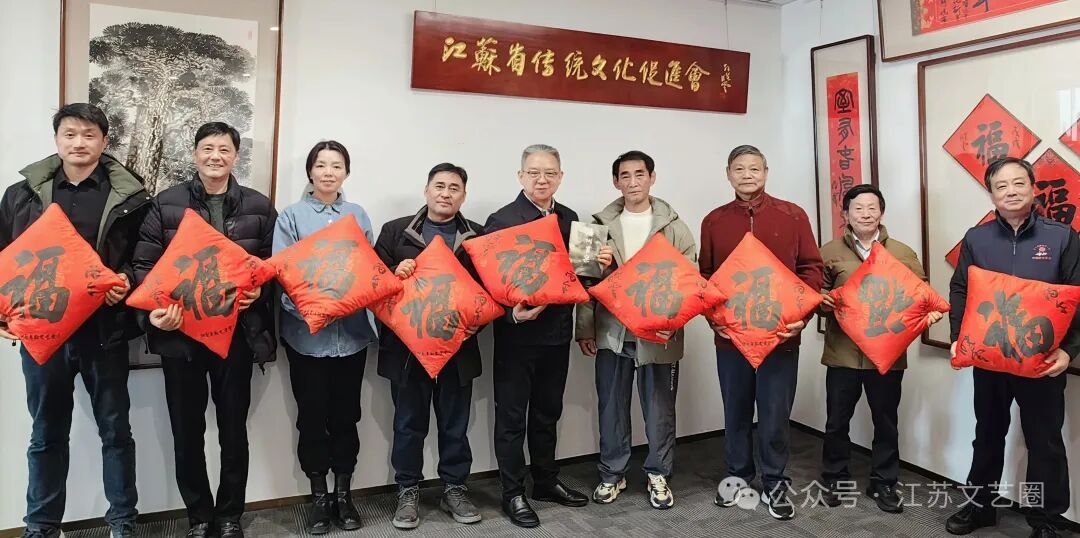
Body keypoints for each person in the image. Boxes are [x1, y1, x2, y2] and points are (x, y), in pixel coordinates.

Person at [0, 103, 147, 538]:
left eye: (88, 134)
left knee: (116, 432)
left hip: (105, 331)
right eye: (70, 134)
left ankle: (123, 522)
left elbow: (145, 257)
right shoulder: (21, 195)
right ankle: (41, 526)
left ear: (104, 141)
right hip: (43, 334)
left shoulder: (131, 197)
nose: (79, 143)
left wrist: (127, 279)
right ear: (57, 139)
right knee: (46, 433)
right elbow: (3, 258)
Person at [131, 122, 277, 538]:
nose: (216, 156)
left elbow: (273, 266)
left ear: (236, 156)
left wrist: (259, 291)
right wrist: (155, 313)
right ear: (195, 153)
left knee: (233, 430)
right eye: (208, 148)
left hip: (236, 337)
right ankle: (199, 516)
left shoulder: (259, 206)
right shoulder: (166, 203)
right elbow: (144, 265)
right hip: (180, 338)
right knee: (186, 431)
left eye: (224, 149)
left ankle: (229, 515)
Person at [945, 157, 1076, 538]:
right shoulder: (977, 238)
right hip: (991, 358)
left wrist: (1070, 350)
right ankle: (980, 507)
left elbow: (1077, 295)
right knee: (987, 433)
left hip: (1041, 360)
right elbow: (960, 289)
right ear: (991, 195)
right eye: (1001, 186)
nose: (1011, 191)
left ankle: (1046, 519)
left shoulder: (1062, 236)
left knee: (1045, 441)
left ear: (1033, 188)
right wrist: (958, 336)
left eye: (1019, 183)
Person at [699, 144, 824, 521]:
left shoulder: (793, 215)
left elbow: (811, 269)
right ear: (728, 174)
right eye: (739, 169)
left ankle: (775, 483)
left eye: (754, 168)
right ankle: (738, 478)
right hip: (731, 337)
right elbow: (705, 277)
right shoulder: (714, 221)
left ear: (766, 173)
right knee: (736, 411)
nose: (747, 175)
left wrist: (801, 315)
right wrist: (713, 318)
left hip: (781, 335)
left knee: (774, 414)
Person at [575, 150, 691, 510]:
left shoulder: (674, 226)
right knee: (611, 406)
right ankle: (613, 473)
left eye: (640, 174)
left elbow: (689, 280)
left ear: (652, 178)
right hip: (612, 331)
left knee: (659, 408)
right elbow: (583, 281)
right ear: (616, 182)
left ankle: (658, 473)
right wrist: (585, 329)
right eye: (625, 176)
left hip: (658, 334)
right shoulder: (595, 226)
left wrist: (672, 322)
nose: (633, 182)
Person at [373, 162, 486, 530]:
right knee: (408, 424)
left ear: (463, 196)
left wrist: (477, 325)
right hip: (408, 351)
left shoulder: (477, 237)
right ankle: (408, 490)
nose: (445, 193)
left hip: (459, 349)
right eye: (439, 186)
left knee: (455, 424)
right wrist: (396, 275)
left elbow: (490, 292)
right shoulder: (395, 231)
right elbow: (373, 284)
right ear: (426, 190)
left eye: (454, 188)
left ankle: (455, 488)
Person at [817, 184, 943, 513]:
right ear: (846, 214)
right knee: (836, 422)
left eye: (872, 208)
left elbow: (922, 292)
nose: (865, 214)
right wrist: (824, 302)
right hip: (843, 354)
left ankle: (884, 482)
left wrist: (928, 314)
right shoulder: (829, 251)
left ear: (881, 213)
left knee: (885, 421)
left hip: (887, 356)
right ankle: (835, 478)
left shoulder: (901, 252)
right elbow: (816, 293)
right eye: (858, 208)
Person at [486, 144, 589, 528]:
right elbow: (486, 282)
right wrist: (510, 314)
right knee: (511, 417)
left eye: (549, 173)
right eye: (533, 172)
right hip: (517, 337)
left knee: (548, 413)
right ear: (520, 176)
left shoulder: (570, 218)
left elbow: (579, 275)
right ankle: (512, 493)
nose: (541, 180)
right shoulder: (502, 220)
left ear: (560, 177)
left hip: (557, 334)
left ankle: (545, 481)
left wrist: (598, 263)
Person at [273, 141, 371, 534]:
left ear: (346, 172)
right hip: (306, 340)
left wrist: (351, 299)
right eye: (321, 165)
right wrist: (316, 310)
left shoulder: (357, 214)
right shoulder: (291, 217)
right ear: (310, 172)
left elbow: (368, 269)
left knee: (347, 416)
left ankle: (343, 496)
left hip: (352, 337)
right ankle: (318, 497)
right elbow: (282, 274)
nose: (328, 172)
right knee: (311, 417)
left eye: (336, 165)